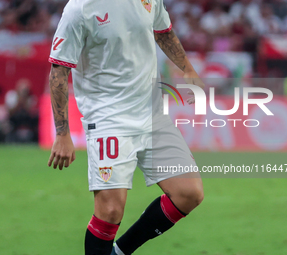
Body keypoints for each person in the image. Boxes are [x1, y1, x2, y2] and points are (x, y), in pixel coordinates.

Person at [47, 0, 205, 254]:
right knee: (110, 211)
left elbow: (162, 31)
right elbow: (59, 70)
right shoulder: (80, 8)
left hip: (152, 114)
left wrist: (187, 68)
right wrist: (62, 133)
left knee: (189, 193)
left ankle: (119, 252)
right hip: (109, 119)